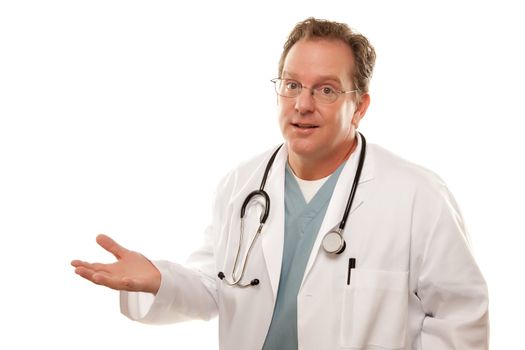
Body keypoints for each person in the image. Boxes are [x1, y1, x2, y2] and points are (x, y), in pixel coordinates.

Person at [71, 17, 489, 350]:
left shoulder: (418, 196)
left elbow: (460, 318)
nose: (302, 104)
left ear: (359, 105)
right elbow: (214, 286)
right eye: (291, 85)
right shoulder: (240, 185)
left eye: (325, 90)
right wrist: (159, 280)